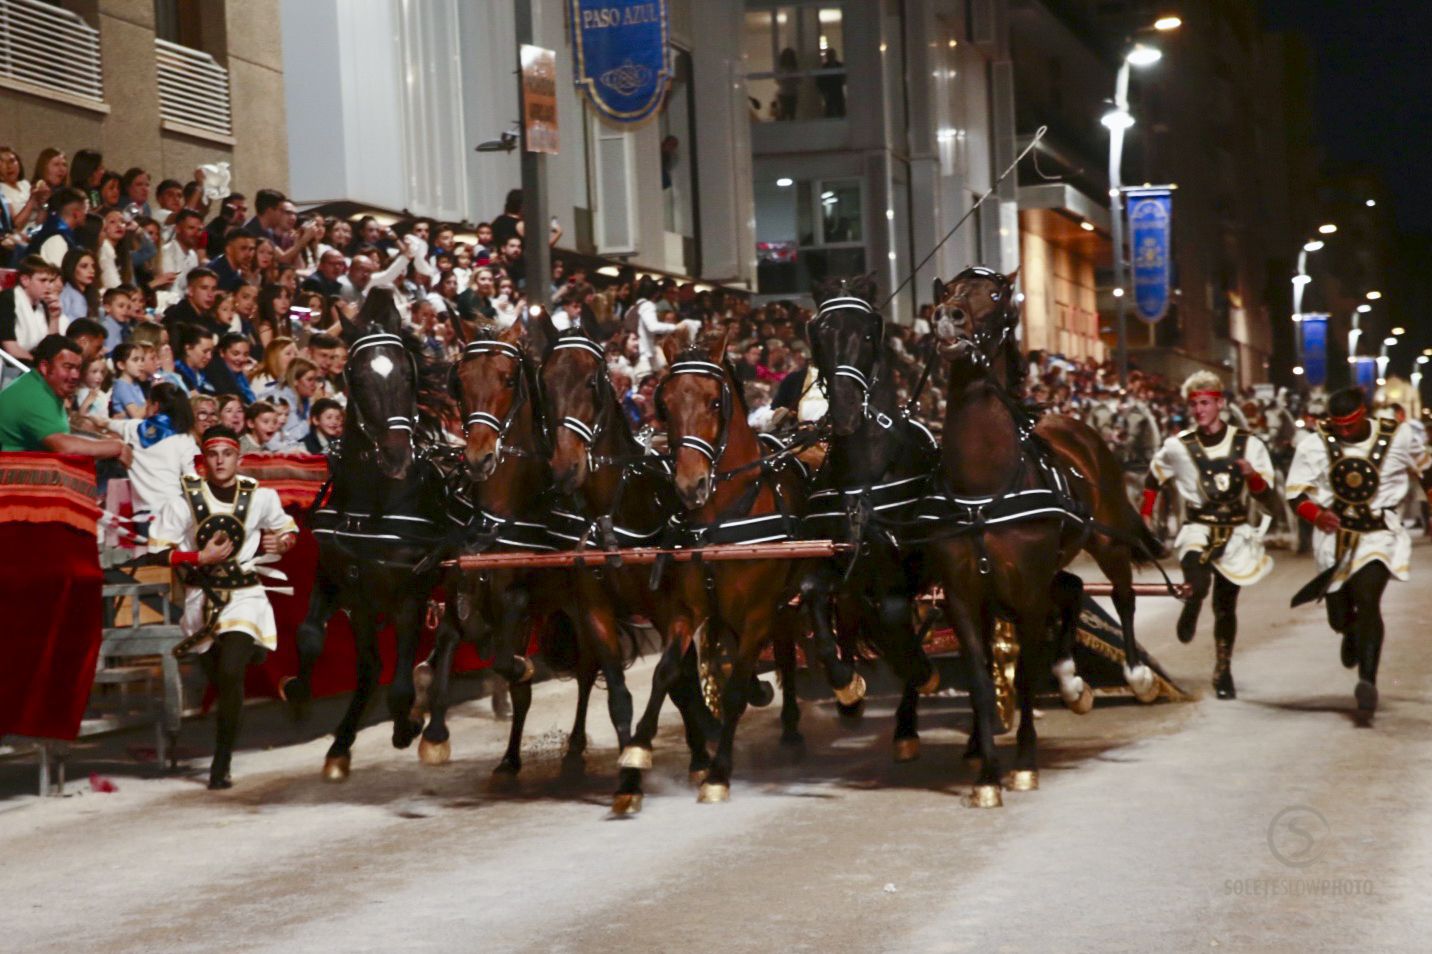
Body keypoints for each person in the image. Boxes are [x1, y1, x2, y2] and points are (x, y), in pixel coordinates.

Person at [146, 426, 298, 789]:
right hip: (201, 601)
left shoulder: (259, 497)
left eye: (227, 454)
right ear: (204, 459)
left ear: (238, 458)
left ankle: (222, 760)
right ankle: (245, 663)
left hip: (245, 596)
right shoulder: (184, 500)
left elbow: (286, 530)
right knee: (222, 678)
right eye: (213, 454)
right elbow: (158, 549)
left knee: (230, 672)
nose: (220, 461)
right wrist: (199, 556)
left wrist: (285, 540)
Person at [1286, 386, 1432, 714]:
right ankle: (1348, 631)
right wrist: (1316, 514)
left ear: (1363, 413)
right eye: (1338, 427)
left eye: (1350, 426)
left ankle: (1368, 682)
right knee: (1340, 615)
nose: (1344, 432)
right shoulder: (1314, 445)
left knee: (1368, 601)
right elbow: (1295, 494)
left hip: (1379, 534)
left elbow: (1427, 472)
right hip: (1333, 538)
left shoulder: (1400, 436)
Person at [1142, 371, 1279, 700]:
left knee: (1226, 606)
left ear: (1220, 403)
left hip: (1236, 533)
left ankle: (1223, 669)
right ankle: (1191, 604)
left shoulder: (1249, 444)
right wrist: (1146, 515)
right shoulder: (1178, 446)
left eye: (1205, 403)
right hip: (1197, 529)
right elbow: (1153, 478)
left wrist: (1253, 477)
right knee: (1198, 582)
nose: (1199, 410)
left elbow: (1269, 498)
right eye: (1194, 404)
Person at [0, 334, 131, 464]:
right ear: (45, 367)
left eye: (78, 368)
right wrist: (116, 446)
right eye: (68, 367)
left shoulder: (40, 385)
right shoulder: (33, 394)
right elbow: (64, 447)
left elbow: (62, 430)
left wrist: (103, 439)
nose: (75, 375)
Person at [105, 381, 199, 513]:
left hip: (145, 514)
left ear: (155, 406)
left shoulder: (134, 428)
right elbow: (192, 479)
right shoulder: (185, 438)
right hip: (175, 512)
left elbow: (104, 423)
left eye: (147, 402)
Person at [0, 255, 64, 363]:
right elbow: (10, 347)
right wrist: (39, 366)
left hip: (32, 364)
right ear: (25, 280)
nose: (49, 286)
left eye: (50, 281)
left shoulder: (43, 305)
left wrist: (54, 318)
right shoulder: (7, 299)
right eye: (43, 280)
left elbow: (51, 348)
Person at [29, 187, 87, 268]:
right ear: (76, 214)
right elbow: (57, 275)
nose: (86, 215)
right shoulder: (56, 239)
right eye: (85, 210)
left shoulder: (54, 228)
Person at [163, 267, 223, 337]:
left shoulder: (210, 318)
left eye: (213, 289)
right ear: (190, 290)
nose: (210, 294)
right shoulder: (177, 319)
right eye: (204, 288)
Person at [174, 324, 217, 395]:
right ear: (188, 349)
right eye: (205, 351)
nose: (209, 357)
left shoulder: (209, 374)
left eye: (211, 352)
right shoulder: (176, 374)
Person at [110, 342, 149, 418]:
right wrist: (151, 401)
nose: (141, 364)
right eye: (135, 360)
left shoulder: (135, 384)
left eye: (142, 360)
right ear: (121, 365)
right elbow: (136, 416)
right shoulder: (122, 386)